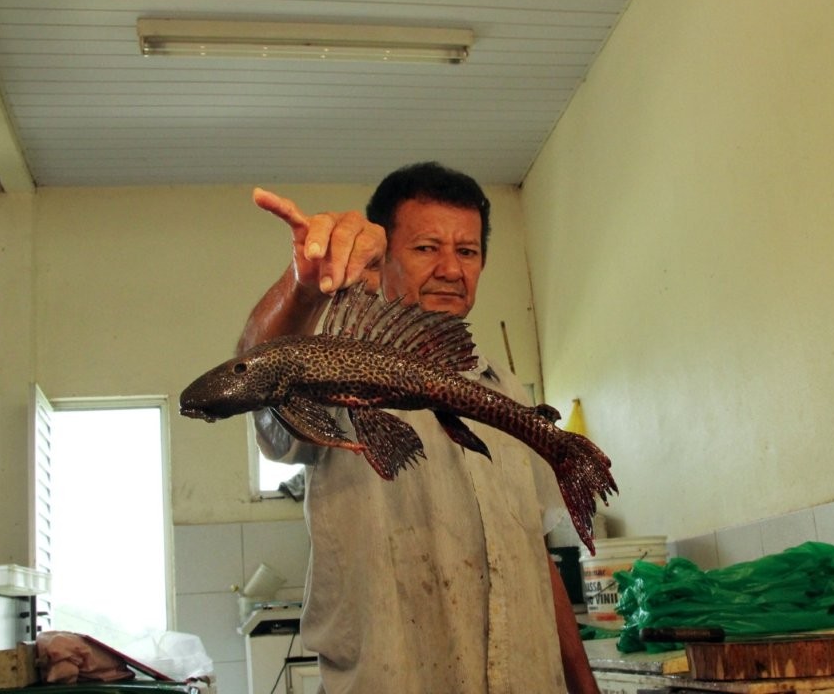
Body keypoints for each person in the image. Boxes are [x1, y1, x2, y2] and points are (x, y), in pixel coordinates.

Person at [237, 162, 599, 694]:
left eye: (467, 251)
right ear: (382, 259)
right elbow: (255, 379)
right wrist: (303, 287)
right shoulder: (333, 371)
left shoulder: (506, 392)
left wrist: (585, 687)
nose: (451, 269)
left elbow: (535, 553)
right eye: (427, 247)